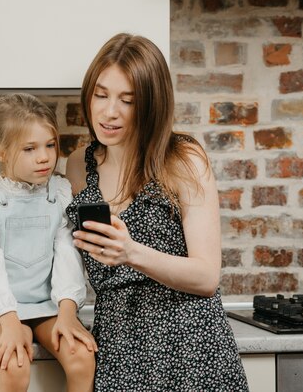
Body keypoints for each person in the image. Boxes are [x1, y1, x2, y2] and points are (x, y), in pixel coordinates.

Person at [64, 33, 249, 391]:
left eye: (127, 100)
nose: (109, 111)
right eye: (100, 95)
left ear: (150, 104)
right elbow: (47, 249)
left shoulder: (183, 159)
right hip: (119, 349)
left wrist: (131, 253)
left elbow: (206, 275)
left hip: (191, 349)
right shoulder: (77, 166)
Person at [0, 93, 96, 392]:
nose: (44, 157)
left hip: (46, 306)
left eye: (50, 145)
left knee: (82, 357)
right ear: (0, 152)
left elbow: (67, 253)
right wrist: (9, 321)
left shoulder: (60, 191)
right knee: (15, 363)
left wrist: (67, 312)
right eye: (30, 148)